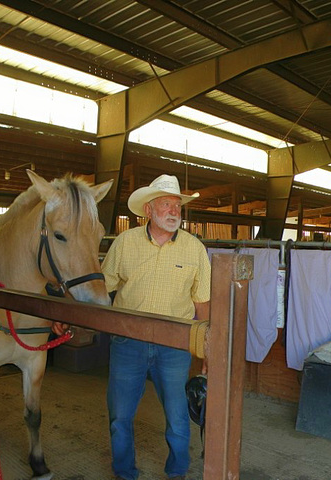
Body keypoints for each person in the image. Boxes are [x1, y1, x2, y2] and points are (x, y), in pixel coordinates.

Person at [100, 174, 211, 480]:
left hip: (175, 345)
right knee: (119, 416)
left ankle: (177, 473)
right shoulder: (124, 243)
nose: (174, 211)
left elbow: (202, 304)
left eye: (177, 205)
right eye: (166, 204)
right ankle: (124, 472)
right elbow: (100, 288)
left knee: (177, 417)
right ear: (148, 210)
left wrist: (206, 354)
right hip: (127, 342)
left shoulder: (194, 248)